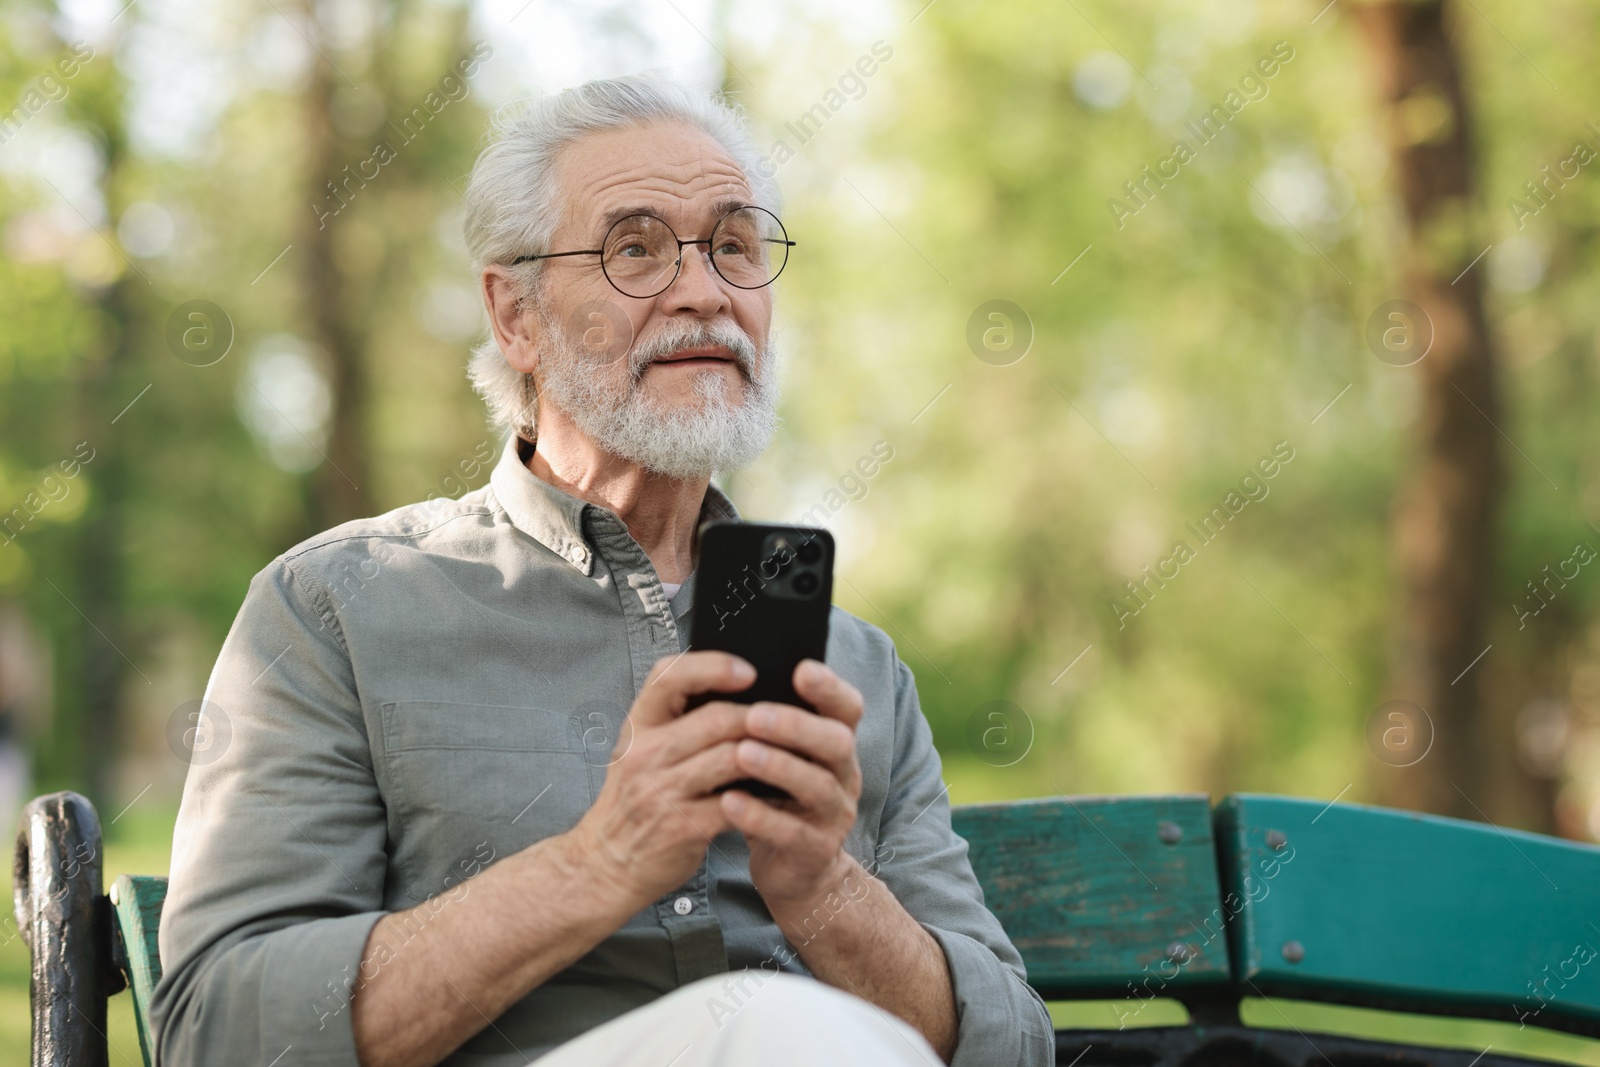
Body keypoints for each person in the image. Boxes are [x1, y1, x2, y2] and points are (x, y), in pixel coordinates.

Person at [150, 74, 1052, 1067]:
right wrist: (602, 861)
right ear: (515, 317)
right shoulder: (335, 610)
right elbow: (219, 1028)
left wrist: (822, 887)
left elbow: (1010, 1044)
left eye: (734, 246)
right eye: (635, 248)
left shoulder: (857, 669)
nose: (704, 291)